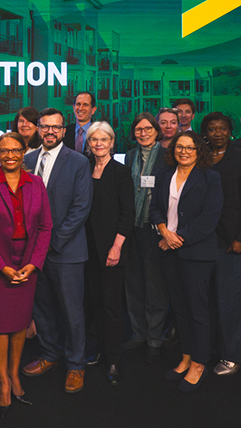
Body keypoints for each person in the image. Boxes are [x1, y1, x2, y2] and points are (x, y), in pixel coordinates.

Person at [0, 132, 52, 415]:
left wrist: (34, 263)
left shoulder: (37, 184)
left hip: (27, 263)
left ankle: (15, 372)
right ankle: (3, 380)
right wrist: (1, 267)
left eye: (15, 150)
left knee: (19, 322)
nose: (9, 156)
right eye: (4, 151)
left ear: (23, 152)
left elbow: (45, 227)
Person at [21, 108, 93, 393]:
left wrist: (51, 241)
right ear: (38, 129)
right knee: (42, 307)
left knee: (72, 310)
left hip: (67, 250)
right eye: (44, 127)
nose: (50, 132)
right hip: (33, 253)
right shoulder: (27, 160)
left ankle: (76, 365)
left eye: (56, 127)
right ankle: (50, 354)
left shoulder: (78, 162)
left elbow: (81, 208)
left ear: (64, 131)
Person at [149, 131, 222, 392]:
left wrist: (176, 238)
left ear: (198, 150)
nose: (184, 152)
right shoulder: (165, 174)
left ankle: (199, 362)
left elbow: (209, 218)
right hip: (168, 251)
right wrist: (163, 231)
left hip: (197, 253)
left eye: (190, 148)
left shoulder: (210, 177)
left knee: (198, 311)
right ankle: (186, 356)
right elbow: (155, 207)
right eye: (180, 147)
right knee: (179, 308)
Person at [201, 112, 241, 376]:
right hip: (205, 241)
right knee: (210, 300)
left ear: (230, 130)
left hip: (234, 242)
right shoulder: (200, 157)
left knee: (232, 302)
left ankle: (234, 355)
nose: (217, 133)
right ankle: (214, 347)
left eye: (222, 129)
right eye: (212, 129)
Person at [83, 122, 134, 384]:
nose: (99, 144)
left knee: (112, 306)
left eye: (104, 139)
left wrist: (116, 247)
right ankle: (99, 350)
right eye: (94, 140)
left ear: (112, 142)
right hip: (86, 249)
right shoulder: (84, 168)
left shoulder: (121, 172)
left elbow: (128, 214)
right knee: (94, 304)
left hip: (112, 249)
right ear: (89, 143)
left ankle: (113, 359)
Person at [122, 112, 170, 363]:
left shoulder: (167, 156)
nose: (143, 133)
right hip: (131, 228)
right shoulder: (129, 156)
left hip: (155, 229)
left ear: (156, 130)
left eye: (148, 129)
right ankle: (138, 333)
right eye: (139, 130)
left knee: (154, 285)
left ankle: (155, 338)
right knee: (133, 283)